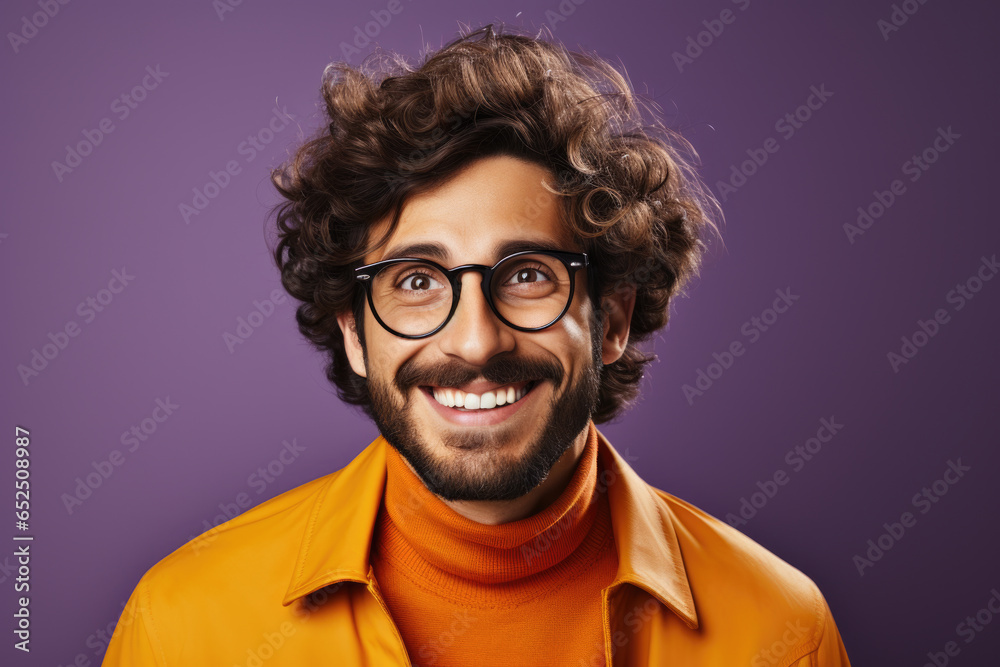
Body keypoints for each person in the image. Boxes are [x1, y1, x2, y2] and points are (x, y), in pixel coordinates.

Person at [104, 24, 850, 666]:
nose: (475, 338)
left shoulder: (780, 632)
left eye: (527, 274)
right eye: (417, 280)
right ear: (353, 331)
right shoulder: (184, 622)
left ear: (613, 317)